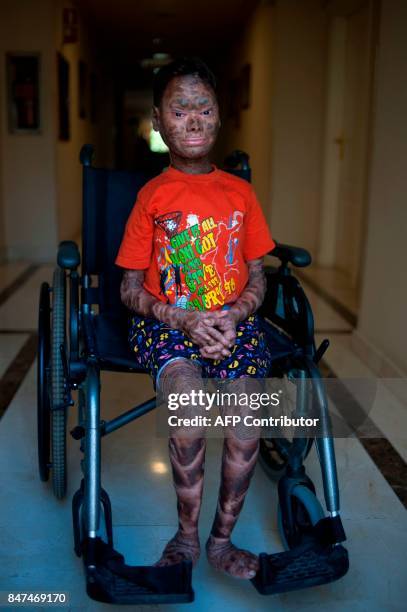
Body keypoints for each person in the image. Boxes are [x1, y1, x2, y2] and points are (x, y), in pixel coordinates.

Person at [115, 57, 275, 580]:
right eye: (179, 110)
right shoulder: (152, 197)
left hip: (233, 323)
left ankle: (221, 541)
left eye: (203, 109)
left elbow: (259, 275)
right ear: (159, 122)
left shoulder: (241, 193)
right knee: (187, 411)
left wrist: (236, 313)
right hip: (166, 324)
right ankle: (185, 538)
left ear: (219, 117)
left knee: (248, 418)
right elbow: (129, 287)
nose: (193, 120)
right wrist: (181, 319)